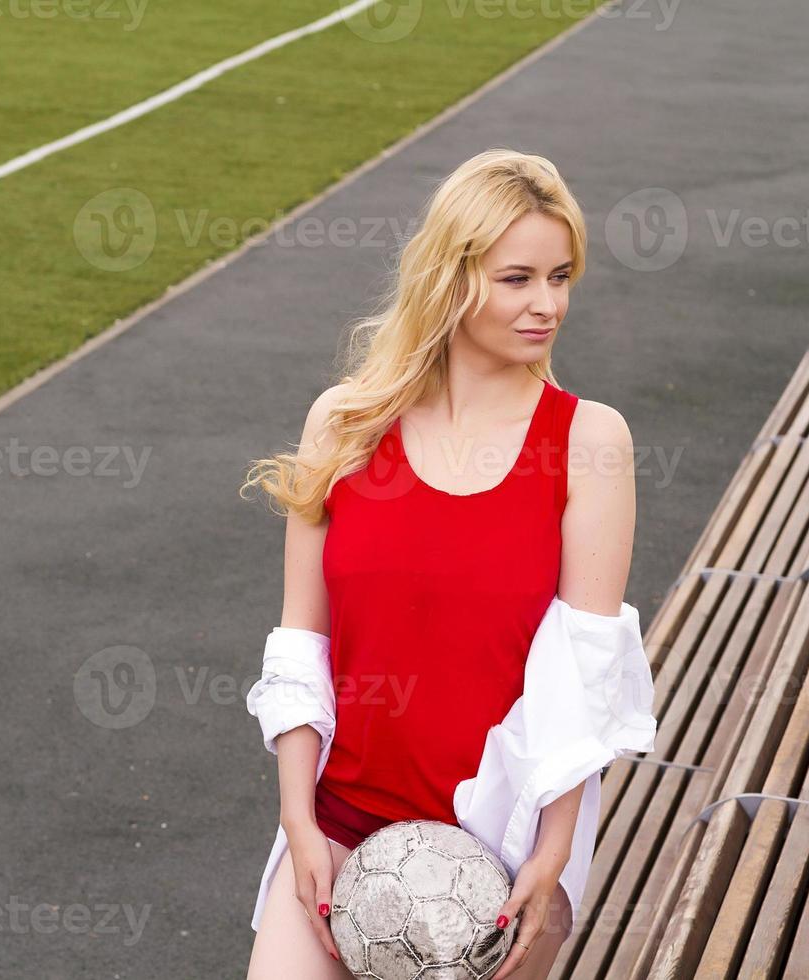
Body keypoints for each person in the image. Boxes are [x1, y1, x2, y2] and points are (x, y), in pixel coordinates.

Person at [238, 148, 645, 980]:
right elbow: (299, 646)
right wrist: (299, 827)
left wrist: (554, 857)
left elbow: (583, 681)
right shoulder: (346, 425)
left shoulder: (588, 443)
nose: (547, 305)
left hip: (498, 859)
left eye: (560, 276)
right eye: (517, 279)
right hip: (342, 827)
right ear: (450, 280)